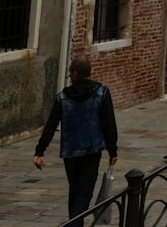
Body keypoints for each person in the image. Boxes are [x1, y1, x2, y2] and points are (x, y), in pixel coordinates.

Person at [33, 57, 119, 222]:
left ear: (75, 73)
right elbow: (109, 123)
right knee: (83, 194)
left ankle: (73, 222)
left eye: (71, 73)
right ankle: (74, 224)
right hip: (92, 151)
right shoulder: (102, 93)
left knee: (76, 190)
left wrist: (40, 151)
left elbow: (51, 125)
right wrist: (112, 150)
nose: (69, 76)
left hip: (70, 152)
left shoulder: (63, 98)